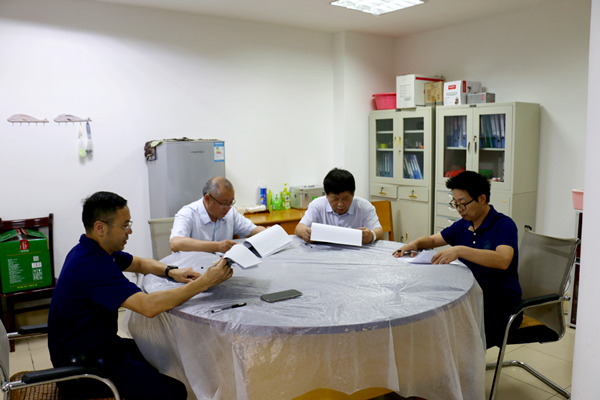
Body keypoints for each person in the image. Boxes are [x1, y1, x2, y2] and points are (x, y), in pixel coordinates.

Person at [48, 191, 233, 400]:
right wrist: (204, 282)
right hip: (84, 370)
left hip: (97, 348)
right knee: (174, 392)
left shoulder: (89, 250)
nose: (130, 231)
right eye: (124, 225)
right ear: (100, 228)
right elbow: (148, 306)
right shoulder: (94, 266)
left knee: (164, 355)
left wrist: (171, 271)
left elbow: (140, 263)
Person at [392, 171, 522, 348]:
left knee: (442, 328)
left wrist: (461, 250)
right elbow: (433, 240)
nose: (459, 209)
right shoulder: (464, 224)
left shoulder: (504, 225)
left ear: (482, 198)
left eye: (463, 203)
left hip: (498, 307)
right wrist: (414, 244)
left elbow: (503, 260)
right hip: (468, 298)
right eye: (455, 204)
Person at [170, 177, 265, 253]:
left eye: (231, 203)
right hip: (193, 268)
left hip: (221, 268)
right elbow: (175, 243)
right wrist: (217, 247)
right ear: (208, 199)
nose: (228, 208)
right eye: (224, 203)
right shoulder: (188, 214)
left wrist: (269, 232)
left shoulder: (230, 212)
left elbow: (253, 230)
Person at [295, 168, 383, 245]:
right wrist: (305, 233)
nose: (340, 204)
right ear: (326, 195)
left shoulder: (364, 207)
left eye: (345, 198)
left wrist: (372, 235)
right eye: (335, 198)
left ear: (353, 194)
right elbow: (299, 228)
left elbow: (379, 231)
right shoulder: (317, 205)